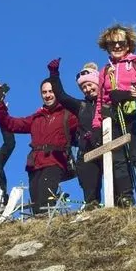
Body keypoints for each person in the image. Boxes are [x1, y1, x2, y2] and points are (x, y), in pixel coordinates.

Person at [0, 70, 78, 216]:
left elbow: (86, 119)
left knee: (46, 201)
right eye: (44, 92)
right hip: (34, 164)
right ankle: (41, 225)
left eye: (51, 91)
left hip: (55, 161)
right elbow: (10, 124)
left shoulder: (68, 114)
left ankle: (50, 224)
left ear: (57, 92)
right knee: (37, 205)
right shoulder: (36, 118)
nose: (48, 95)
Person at [94, 24, 136, 208]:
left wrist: (129, 94)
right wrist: (97, 125)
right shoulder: (105, 71)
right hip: (113, 117)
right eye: (112, 43)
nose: (117, 46)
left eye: (121, 42)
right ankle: (126, 197)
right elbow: (100, 100)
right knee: (119, 159)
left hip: (135, 114)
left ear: (128, 44)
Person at [48, 60, 104, 209]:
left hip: (109, 147)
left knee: (117, 183)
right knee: (90, 190)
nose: (87, 89)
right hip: (87, 152)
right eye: (83, 87)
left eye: (90, 85)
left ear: (98, 82)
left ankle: (121, 207)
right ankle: (92, 208)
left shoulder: (109, 103)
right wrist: (54, 74)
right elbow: (62, 97)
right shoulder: (81, 106)